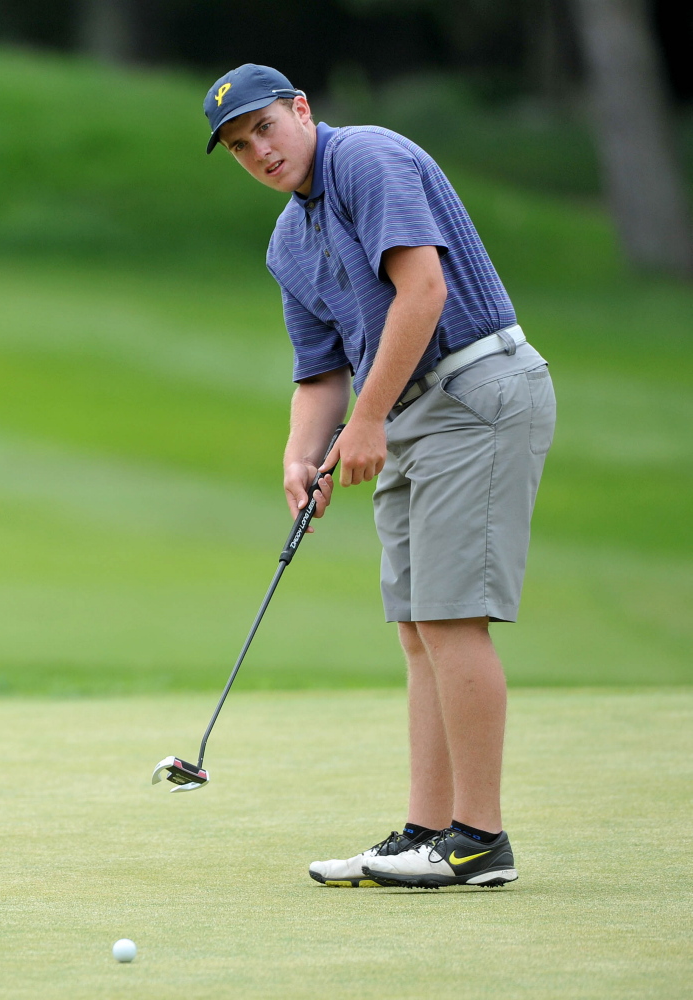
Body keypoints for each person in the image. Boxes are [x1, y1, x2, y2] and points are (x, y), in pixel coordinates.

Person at [203, 64, 556, 889]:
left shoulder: (367, 157)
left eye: (265, 128)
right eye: (238, 145)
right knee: (416, 625)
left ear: (301, 110)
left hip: (476, 390)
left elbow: (423, 290)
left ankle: (478, 841)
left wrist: (366, 424)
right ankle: (428, 830)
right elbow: (319, 372)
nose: (259, 150)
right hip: (411, 413)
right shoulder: (287, 240)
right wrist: (302, 455)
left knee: (451, 617)